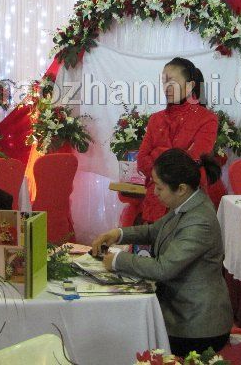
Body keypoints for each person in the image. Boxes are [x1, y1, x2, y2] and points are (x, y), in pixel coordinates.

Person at [91, 148, 232, 357]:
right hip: (179, 311)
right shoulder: (188, 202)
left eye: (159, 187)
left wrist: (118, 259)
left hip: (196, 326)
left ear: (181, 188)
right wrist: (118, 234)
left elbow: (163, 268)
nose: (154, 193)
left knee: (124, 335)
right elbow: (154, 230)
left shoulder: (199, 220)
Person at [136, 57, 219, 223]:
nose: (166, 87)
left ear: (190, 86)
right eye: (164, 82)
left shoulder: (207, 119)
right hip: (155, 201)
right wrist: (173, 157)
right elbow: (142, 159)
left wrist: (158, 154)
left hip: (188, 202)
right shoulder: (156, 119)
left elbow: (192, 163)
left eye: (172, 81)